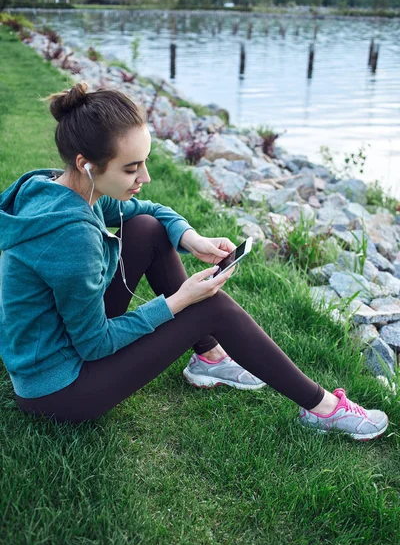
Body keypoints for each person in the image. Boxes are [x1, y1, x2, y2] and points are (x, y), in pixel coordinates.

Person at [0, 82, 389, 441]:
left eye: (145, 162)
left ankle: (210, 357)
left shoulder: (54, 185)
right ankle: (323, 408)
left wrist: (191, 239)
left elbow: (147, 209)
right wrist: (179, 300)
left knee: (148, 227)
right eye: (131, 168)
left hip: (53, 348)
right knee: (210, 307)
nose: (145, 176)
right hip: (58, 389)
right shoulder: (71, 236)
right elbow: (95, 344)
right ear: (87, 164)